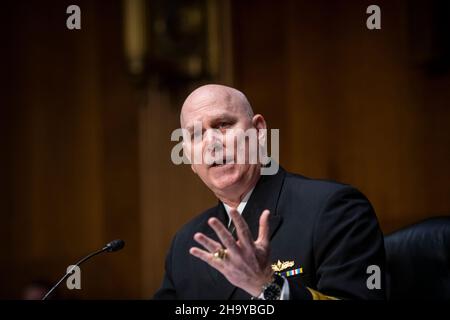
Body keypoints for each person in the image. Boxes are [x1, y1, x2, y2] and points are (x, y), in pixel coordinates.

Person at [154, 84, 386, 300]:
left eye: (223, 125)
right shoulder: (185, 244)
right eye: (195, 135)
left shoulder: (336, 209)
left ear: (259, 131)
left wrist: (267, 285)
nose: (211, 143)